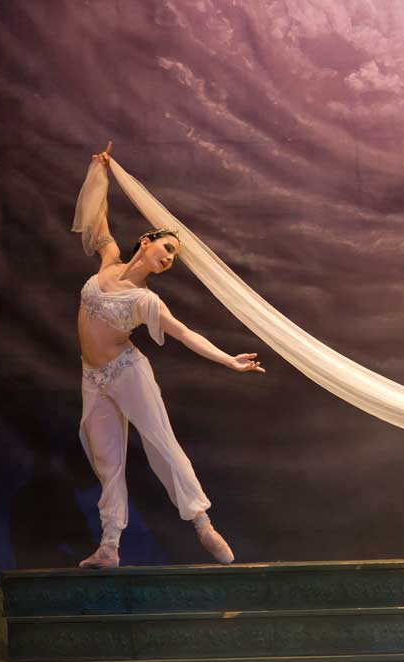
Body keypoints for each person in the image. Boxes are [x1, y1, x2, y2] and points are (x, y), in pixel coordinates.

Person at [73, 141, 265, 569]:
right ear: (147, 241)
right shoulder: (109, 261)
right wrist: (99, 172)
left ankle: (202, 522)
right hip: (92, 377)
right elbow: (97, 218)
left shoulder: (147, 300)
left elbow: (185, 334)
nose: (170, 259)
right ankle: (110, 545)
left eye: (175, 258)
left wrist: (229, 360)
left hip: (127, 372)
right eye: (169, 249)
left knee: (161, 441)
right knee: (106, 459)